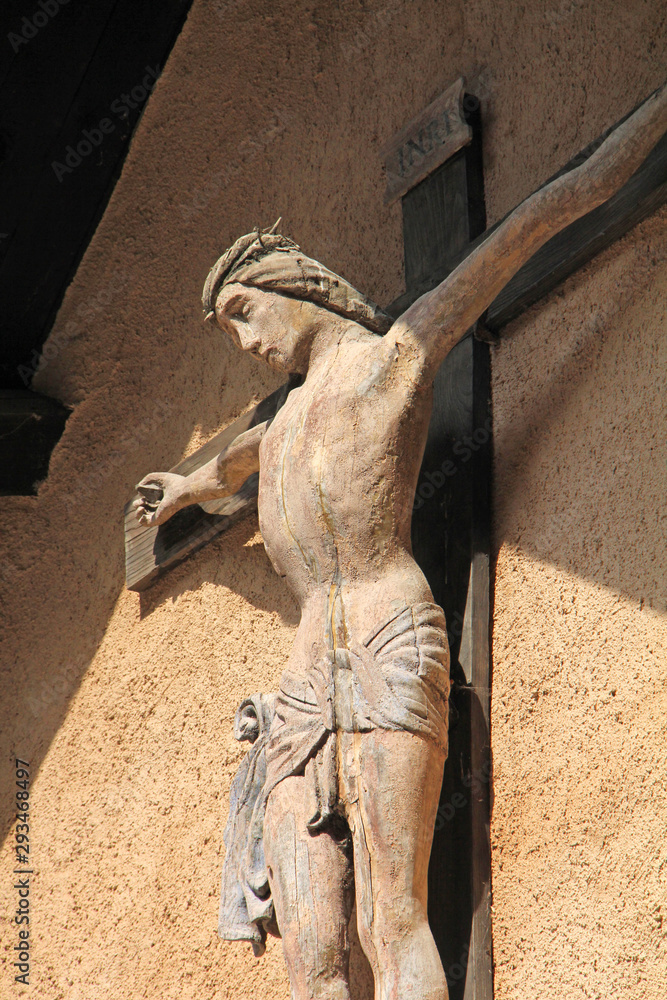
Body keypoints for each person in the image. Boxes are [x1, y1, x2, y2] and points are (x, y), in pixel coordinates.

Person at [133, 86, 666, 1000]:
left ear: (298, 285)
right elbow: (224, 471)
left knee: (391, 916)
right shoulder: (278, 427)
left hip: (389, 639)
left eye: (246, 312)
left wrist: (644, 128)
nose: (246, 341)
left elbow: (535, 221)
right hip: (300, 686)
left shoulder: (395, 358)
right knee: (310, 953)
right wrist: (183, 489)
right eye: (229, 330)